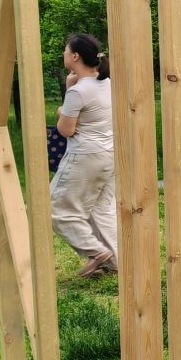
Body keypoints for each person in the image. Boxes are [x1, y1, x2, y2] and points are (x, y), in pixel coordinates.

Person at [52, 33, 117, 277]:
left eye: (66, 50)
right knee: (101, 211)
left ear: (75, 56)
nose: (64, 54)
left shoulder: (78, 91)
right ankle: (115, 262)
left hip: (85, 156)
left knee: (56, 209)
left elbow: (65, 130)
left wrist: (65, 101)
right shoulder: (108, 83)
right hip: (109, 155)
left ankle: (96, 252)